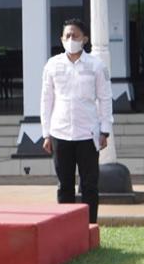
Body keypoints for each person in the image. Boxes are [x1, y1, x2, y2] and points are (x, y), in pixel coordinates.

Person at [41, 18, 113, 224]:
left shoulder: (96, 65)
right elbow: (46, 100)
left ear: (85, 39)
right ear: (61, 39)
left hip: (87, 134)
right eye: (67, 36)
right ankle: (65, 229)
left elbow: (105, 98)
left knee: (89, 185)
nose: (71, 39)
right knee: (64, 185)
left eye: (75, 35)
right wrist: (46, 133)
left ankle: (90, 226)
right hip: (60, 133)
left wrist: (104, 130)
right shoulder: (52, 65)